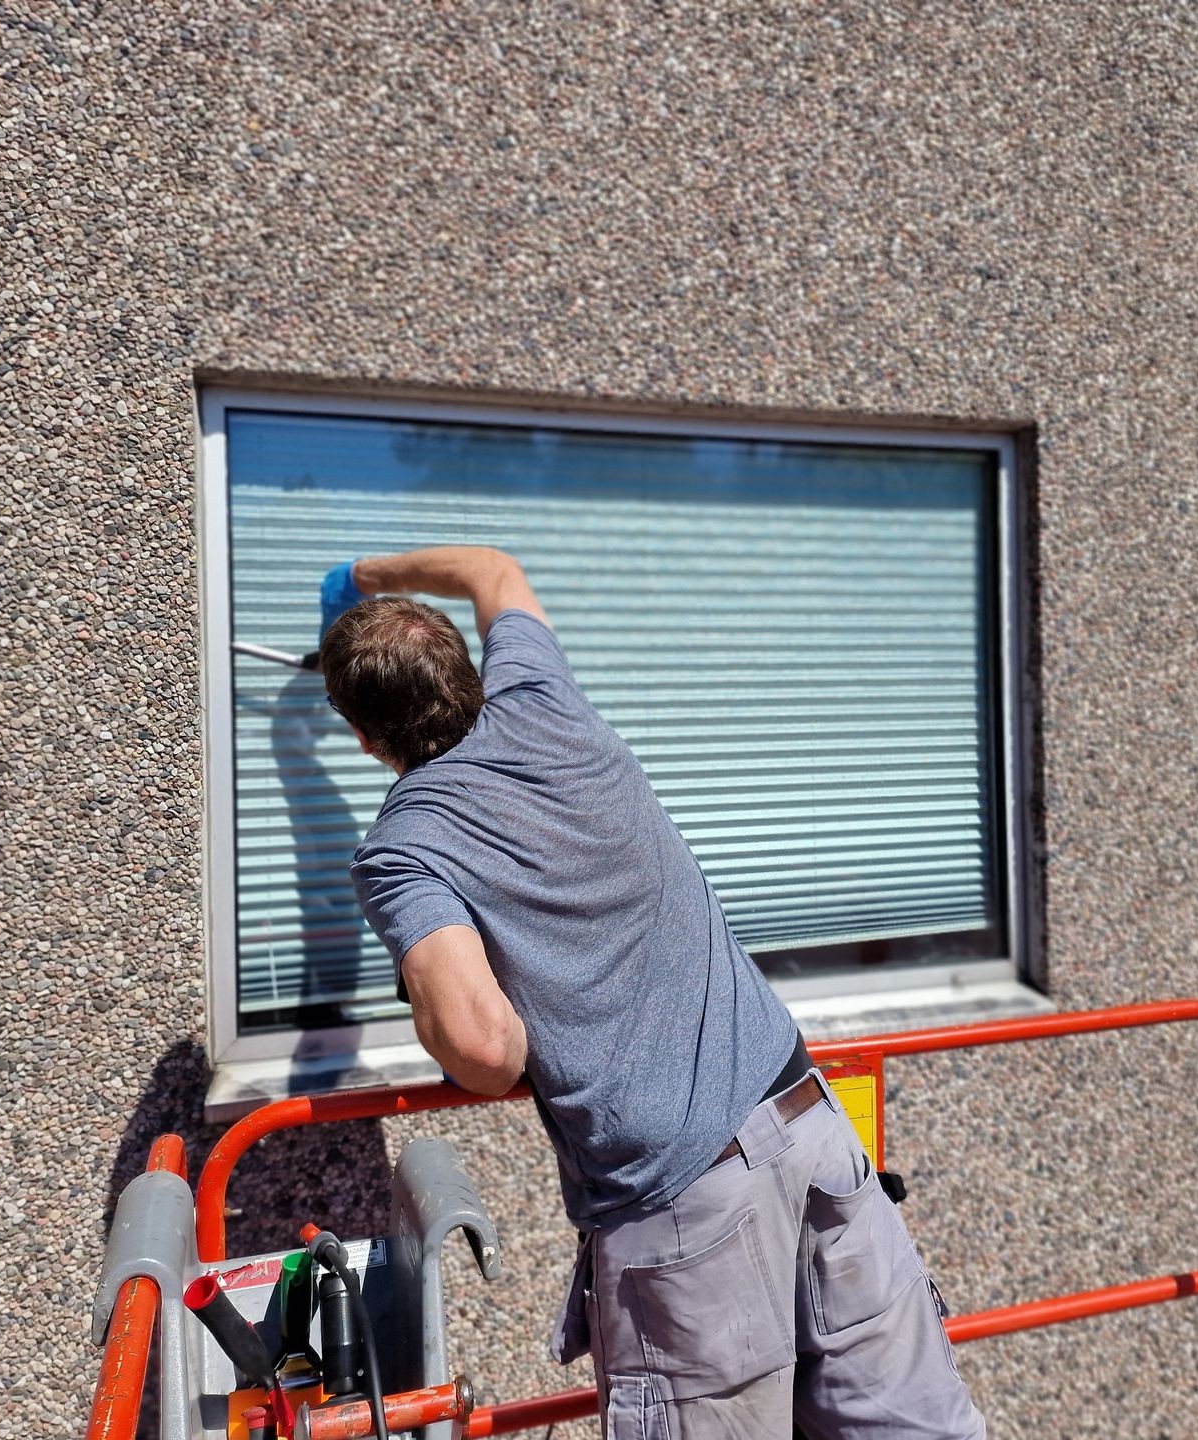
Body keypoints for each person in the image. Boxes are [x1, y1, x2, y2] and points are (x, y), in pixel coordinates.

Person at [321, 545, 985, 1439]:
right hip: (809, 1127)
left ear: (365, 740)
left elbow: (484, 1051)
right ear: (469, 671)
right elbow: (495, 573)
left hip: (688, 1211)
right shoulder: (543, 701)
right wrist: (364, 575)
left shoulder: (405, 847)